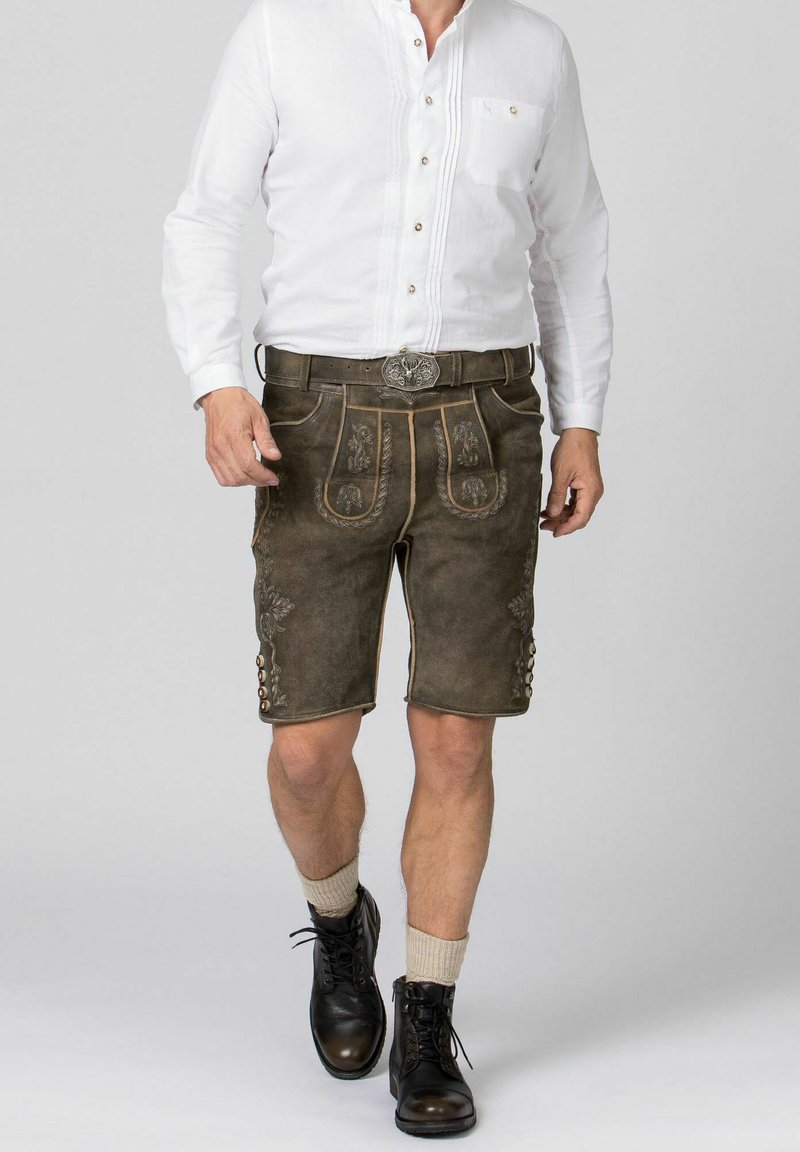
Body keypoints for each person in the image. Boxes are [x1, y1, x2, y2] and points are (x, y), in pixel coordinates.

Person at [161, 0, 612, 1137]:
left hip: (485, 422)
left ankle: (425, 1013)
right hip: (318, 420)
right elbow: (207, 214)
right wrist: (217, 380)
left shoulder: (535, 50)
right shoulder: (286, 31)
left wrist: (581, 421)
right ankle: (339, 923)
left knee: (455, 740)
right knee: (307, 753)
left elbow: (571, 242)